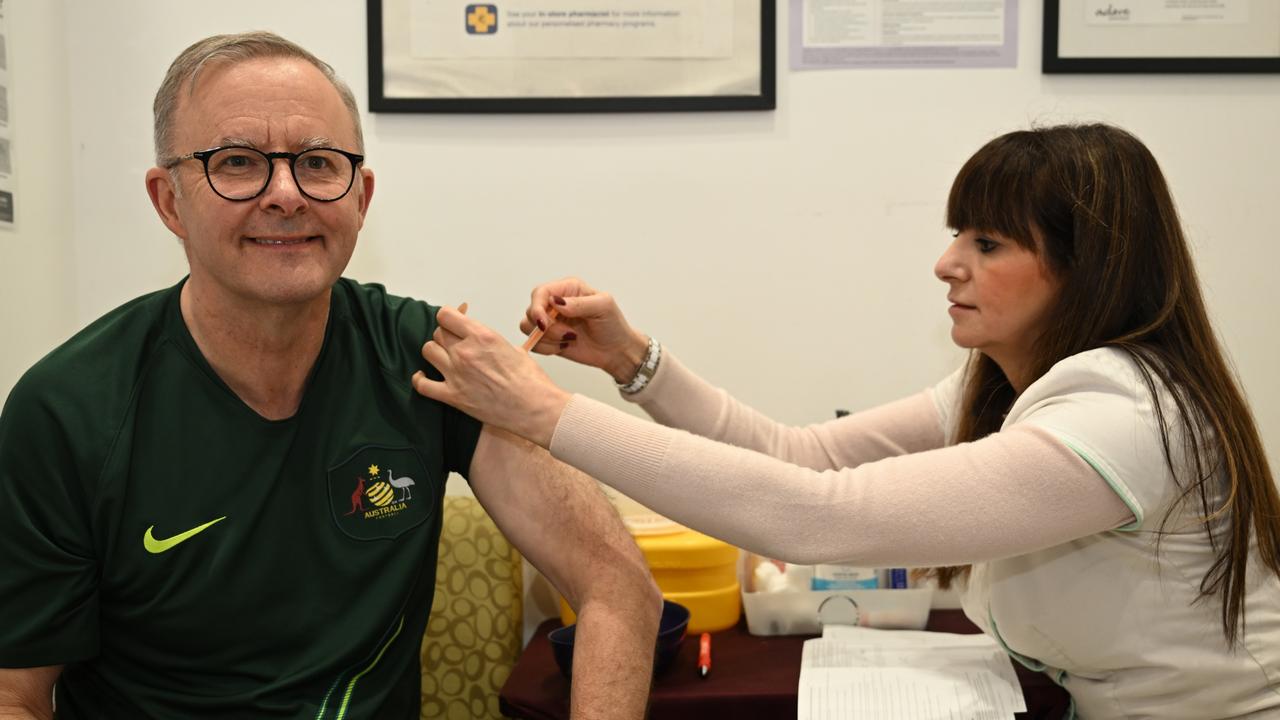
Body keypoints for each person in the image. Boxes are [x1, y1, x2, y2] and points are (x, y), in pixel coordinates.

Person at [413, 124, 1280, 718]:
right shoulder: (1009, 387)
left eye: (987, 243)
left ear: (1086, 266)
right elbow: (805, 456)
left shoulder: (1126, 412)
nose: (947, 264)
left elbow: (823, 516)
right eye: (958, 236)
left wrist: (543, 411)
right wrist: (629, 360)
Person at [0, 32, 661, 720]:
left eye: (318, 163)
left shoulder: (430, 359)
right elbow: (13, 695)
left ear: (361, 197)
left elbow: (616, 581)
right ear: (169, 201)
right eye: (236, 163)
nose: (286, 194)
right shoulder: (68, 411)